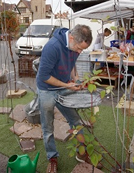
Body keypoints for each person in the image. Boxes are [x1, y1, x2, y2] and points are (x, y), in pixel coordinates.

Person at [36, 24, 93, 173]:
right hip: (47, 89)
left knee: (75, 121)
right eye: (80, 48)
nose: (80, 52)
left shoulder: (76, 44)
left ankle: (81, 153)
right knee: (47, 127)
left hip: (64, 85)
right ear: (72, 38)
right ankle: (52, 158)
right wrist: (67, 86)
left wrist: (75, 77)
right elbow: (44, 76)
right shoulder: (52, 47)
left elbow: (73, 61)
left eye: (83, 49)